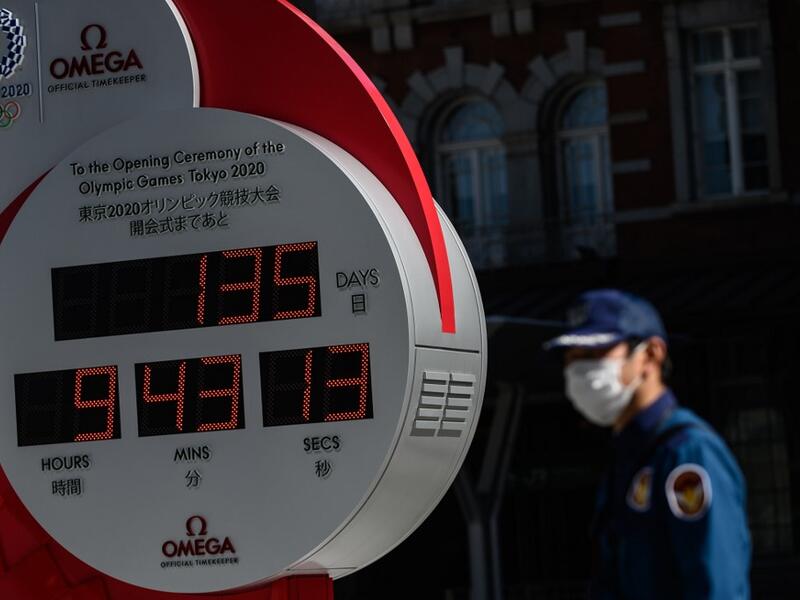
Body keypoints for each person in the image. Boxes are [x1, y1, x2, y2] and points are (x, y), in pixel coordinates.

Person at [544, 289, 751, 599]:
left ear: (651, 354)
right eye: (570, 358)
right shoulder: (629, 457)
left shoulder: (686, 453)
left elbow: (715, 585)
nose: (577, 370)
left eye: (594, 354)